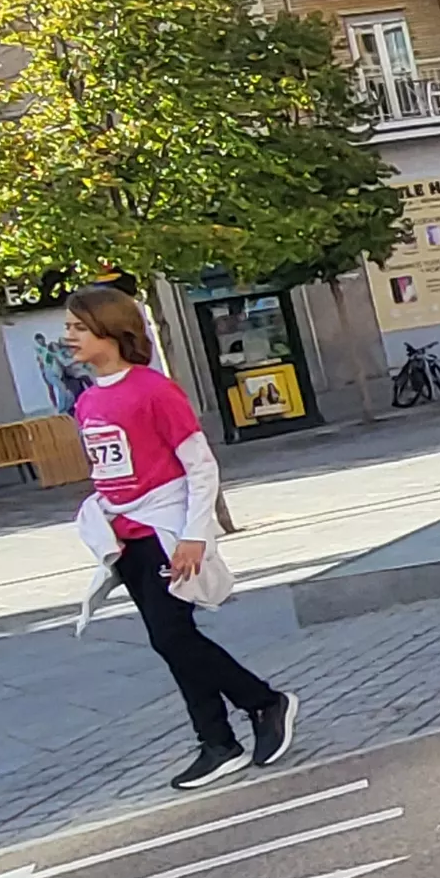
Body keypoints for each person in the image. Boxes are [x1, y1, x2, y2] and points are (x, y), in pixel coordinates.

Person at [61, 286, 294, 791]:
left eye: (78, 327)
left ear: (110, 328)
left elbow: (200, 465)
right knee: (171, 642)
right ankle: (217, 741)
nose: (69, 336)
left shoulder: (153, 391)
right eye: (69, 327)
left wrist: (194, 534)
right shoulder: (87, 401)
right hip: (125, 541)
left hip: (165, 534)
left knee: (172, 636)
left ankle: (263, 702)